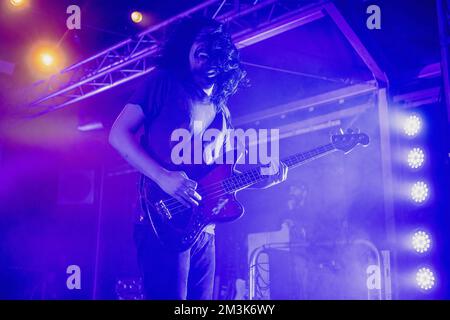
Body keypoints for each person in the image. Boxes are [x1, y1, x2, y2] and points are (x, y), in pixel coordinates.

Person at [109, 16, 288, 300]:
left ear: (225, 60)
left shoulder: (224, 111)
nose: (205, 58)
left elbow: (220, 175)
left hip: (205, 228)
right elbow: (118, 134)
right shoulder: (164, 83)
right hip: (163, 215)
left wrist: (257, 181)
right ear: (186, 50)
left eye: (213, 51)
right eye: (199, 49)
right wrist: (163, 176)